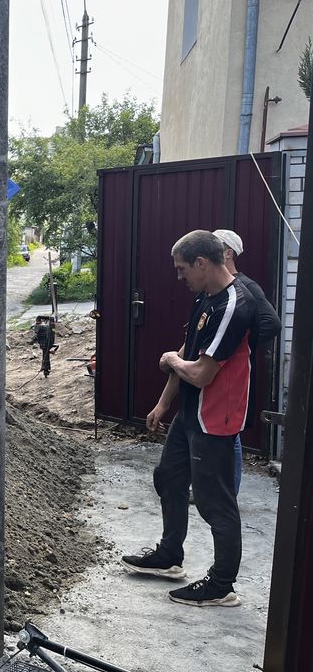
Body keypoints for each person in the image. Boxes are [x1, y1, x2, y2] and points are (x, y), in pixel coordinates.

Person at [121, 230, 254, 608]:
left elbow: (199, 372)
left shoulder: (233, 306)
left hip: (216, 418)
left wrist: (170, 361)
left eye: (182, 269)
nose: (179, 277)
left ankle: (222, 585)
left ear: (202, 263)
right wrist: (164, 403)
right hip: (190, 413)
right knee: (169, 477)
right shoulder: (204, 297)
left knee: (216, 503)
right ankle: (169, 556)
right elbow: (188, 352)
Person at [211, 229, 282, 494]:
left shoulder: (246, 287)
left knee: (231, 433)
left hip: (232, 374)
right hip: (217, 370)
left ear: (228, 253)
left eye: (214, 245)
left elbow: (272, 324)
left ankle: (229, 494)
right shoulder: (218, 287)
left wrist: (239, 344)